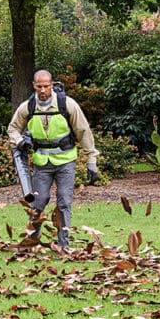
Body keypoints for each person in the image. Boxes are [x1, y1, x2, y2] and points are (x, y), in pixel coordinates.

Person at [7, 69, 98, 251]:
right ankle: (32, 242)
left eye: (46, 86)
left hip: (66, 161)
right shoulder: (28, 107)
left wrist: (92, 159)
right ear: (34, 86)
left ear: (52, 85)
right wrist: (20, 142)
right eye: (39, 86)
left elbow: (83, 130)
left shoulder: (67, 104)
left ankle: (63, 244)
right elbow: (13, 128)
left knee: (64, 202)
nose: (43, 90)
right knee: (37, 203)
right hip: (42, 163)